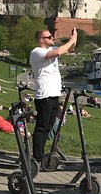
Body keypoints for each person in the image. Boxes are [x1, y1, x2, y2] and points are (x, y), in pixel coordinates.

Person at [29, 28, 77, 161]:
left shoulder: (51, 50)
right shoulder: (37, 52)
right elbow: (60, 51)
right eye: (49, 37)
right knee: (41, 126)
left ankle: (41, 153)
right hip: (44, 95)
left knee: (49, 127)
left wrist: (73, 38)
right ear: (41, 40)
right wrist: (71, 41)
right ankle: (37, 156)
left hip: (54, 94)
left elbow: (70, 49)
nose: (52, 38)